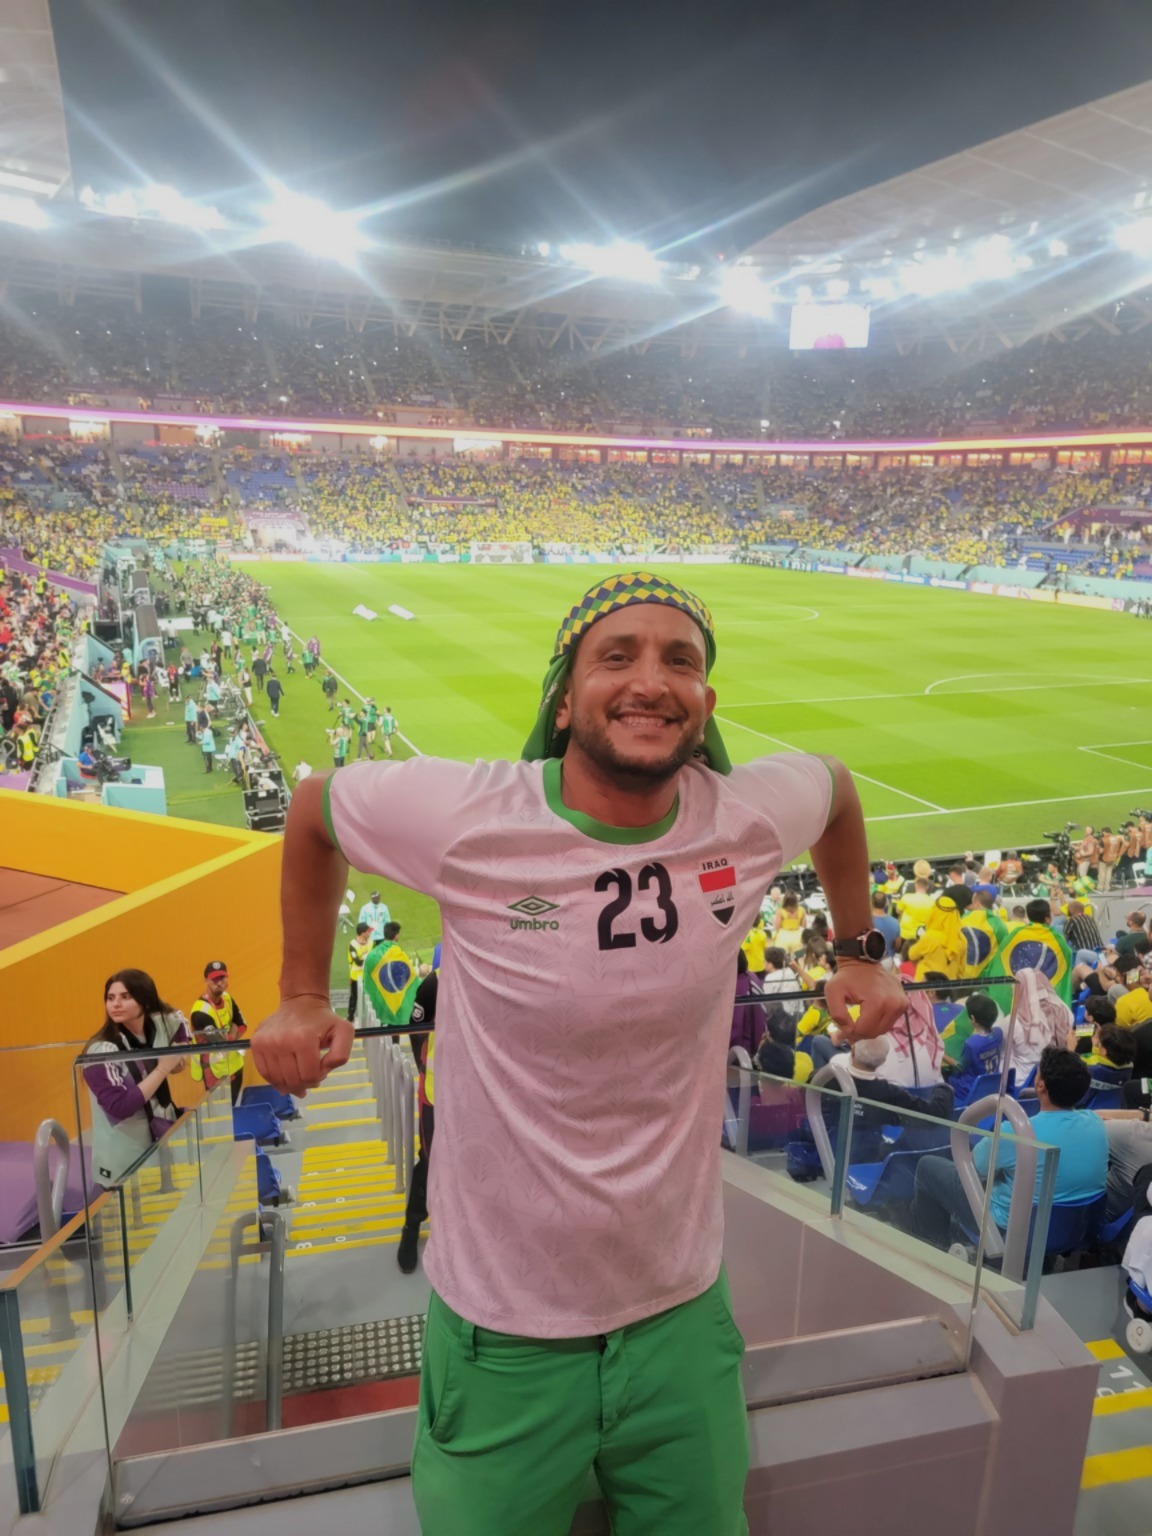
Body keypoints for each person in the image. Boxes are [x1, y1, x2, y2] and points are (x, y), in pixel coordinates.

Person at [252, 570, 904, 1536]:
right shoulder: (471, 817)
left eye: (680, 660)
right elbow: (311, 810)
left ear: (707, 703)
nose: (652, 680)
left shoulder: (748, 818)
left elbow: (840, 790)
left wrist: (858, 953)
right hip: (502, 1339)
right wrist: (304, 993)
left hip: (683, 1321)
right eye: (618, 656)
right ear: (565, 698)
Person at [909, 1047, 1107, 1250]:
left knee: (927, 1166)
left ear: (1040, 1085)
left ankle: (932, 1253)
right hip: (1070, 1232)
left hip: (1006, 1230)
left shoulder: (1016, 1132)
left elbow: (972, 1171)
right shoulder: (1097, 1123)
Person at [83, 970, 191, 1188]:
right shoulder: (101, 1050)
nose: (116, 1004)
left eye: (125, 997)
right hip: (123, 1162)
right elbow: (120, 1106)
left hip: (159, 1148)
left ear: (146, 1002)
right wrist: (163, 1069)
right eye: (110, 998)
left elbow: (179, 1023)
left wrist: (181, 1056)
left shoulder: (158, 1024)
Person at [399, 960, 440, 1274]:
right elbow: (415, 1031)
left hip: (483, 1098)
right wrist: (425, 1069)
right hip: (437, 1095)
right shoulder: (434, 983)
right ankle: (412, 1227)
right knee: (428, 1160)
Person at [190, 961, 248, 1106]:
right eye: (214, 979)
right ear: (206, 981)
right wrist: (231, 1034)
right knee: (220, 1112)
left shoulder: (227, 998)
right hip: (214, 1073)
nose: (219, 983)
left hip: (235, 1065)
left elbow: (241, 1025)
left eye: (222, 978)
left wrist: (229, 1036)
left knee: (234, 1108)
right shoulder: (200, 1012)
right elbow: (220, 1044)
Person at [945, 997, 1003, 1103]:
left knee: (946, 1077)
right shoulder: (998, 1033)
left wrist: (942, 1055)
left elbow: (959, 1067)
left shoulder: (972, 1043)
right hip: (990, 1086)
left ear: (973, 1018)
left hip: (968, 1091)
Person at [347, 921, 371, 1023]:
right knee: (354, 997)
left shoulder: (371, 942)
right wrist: (368, 958)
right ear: (362, 933)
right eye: (368, 931)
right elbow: (358, 962)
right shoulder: (353, 945)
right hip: (356, 976)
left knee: (370, 997)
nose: (370, 933)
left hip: (368, 975)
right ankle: (350, 1017)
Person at [870, 891, 900, 963]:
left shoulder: (866, 921)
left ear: (871, 903)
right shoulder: (895, 922)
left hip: (870, 961)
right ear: (886, 903)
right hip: (887, 961)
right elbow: (897, 945)